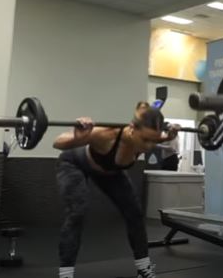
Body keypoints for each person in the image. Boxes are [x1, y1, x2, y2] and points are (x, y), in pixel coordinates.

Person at [54, 104, 179, 278]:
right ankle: (66, 274)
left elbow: (155, 137)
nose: (150, 146)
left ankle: (143, 269)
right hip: (74, 163)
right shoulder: (106, 134)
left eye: (155, 139)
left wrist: (169, 135)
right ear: (132, 128)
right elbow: (57, 142)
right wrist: (78, 138)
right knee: (77, 212)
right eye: (146, 140)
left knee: (134, 213)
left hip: (110, 173)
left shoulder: (146, 137)